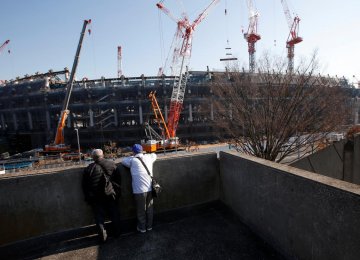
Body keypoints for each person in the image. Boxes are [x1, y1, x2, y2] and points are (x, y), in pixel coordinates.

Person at [82, 149, 121, 242]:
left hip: (96, 197)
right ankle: (117, 233)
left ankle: (103, 236)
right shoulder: (112, 164)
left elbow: (85, 185)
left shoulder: (89, 169)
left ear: (93, 157)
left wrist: (88, 198)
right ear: (102, 155)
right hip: (110, 194)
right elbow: (118, 179)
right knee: (114, 214)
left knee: (99, 218)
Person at [121, 144, 157, 233]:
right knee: (149, 209)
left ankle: (142, 228)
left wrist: (131, 156)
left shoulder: (132, 160)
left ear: (133, 152)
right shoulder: (149, 158)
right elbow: (154, 155)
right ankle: (149, 226)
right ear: (142, 150)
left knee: (141, 210)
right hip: (150, 188)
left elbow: (123, 161)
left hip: (139, 190)